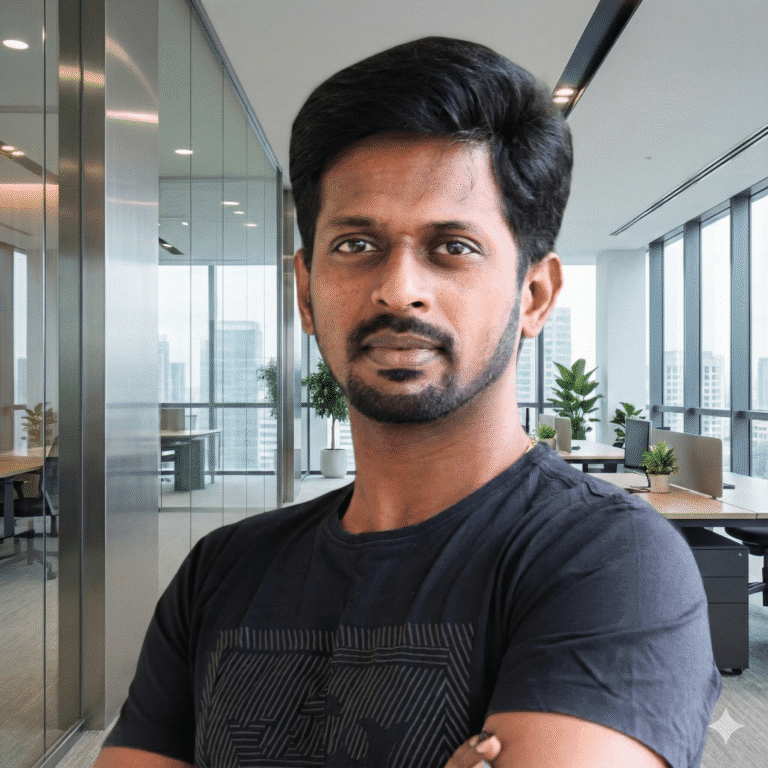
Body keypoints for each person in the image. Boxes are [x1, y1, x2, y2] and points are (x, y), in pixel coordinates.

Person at [96, 37, 720, 768]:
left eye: (452, 247)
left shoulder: (609, 564)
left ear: (535, 294)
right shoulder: (222, 571)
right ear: (305, 290)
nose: (398, 289)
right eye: (356, 245)